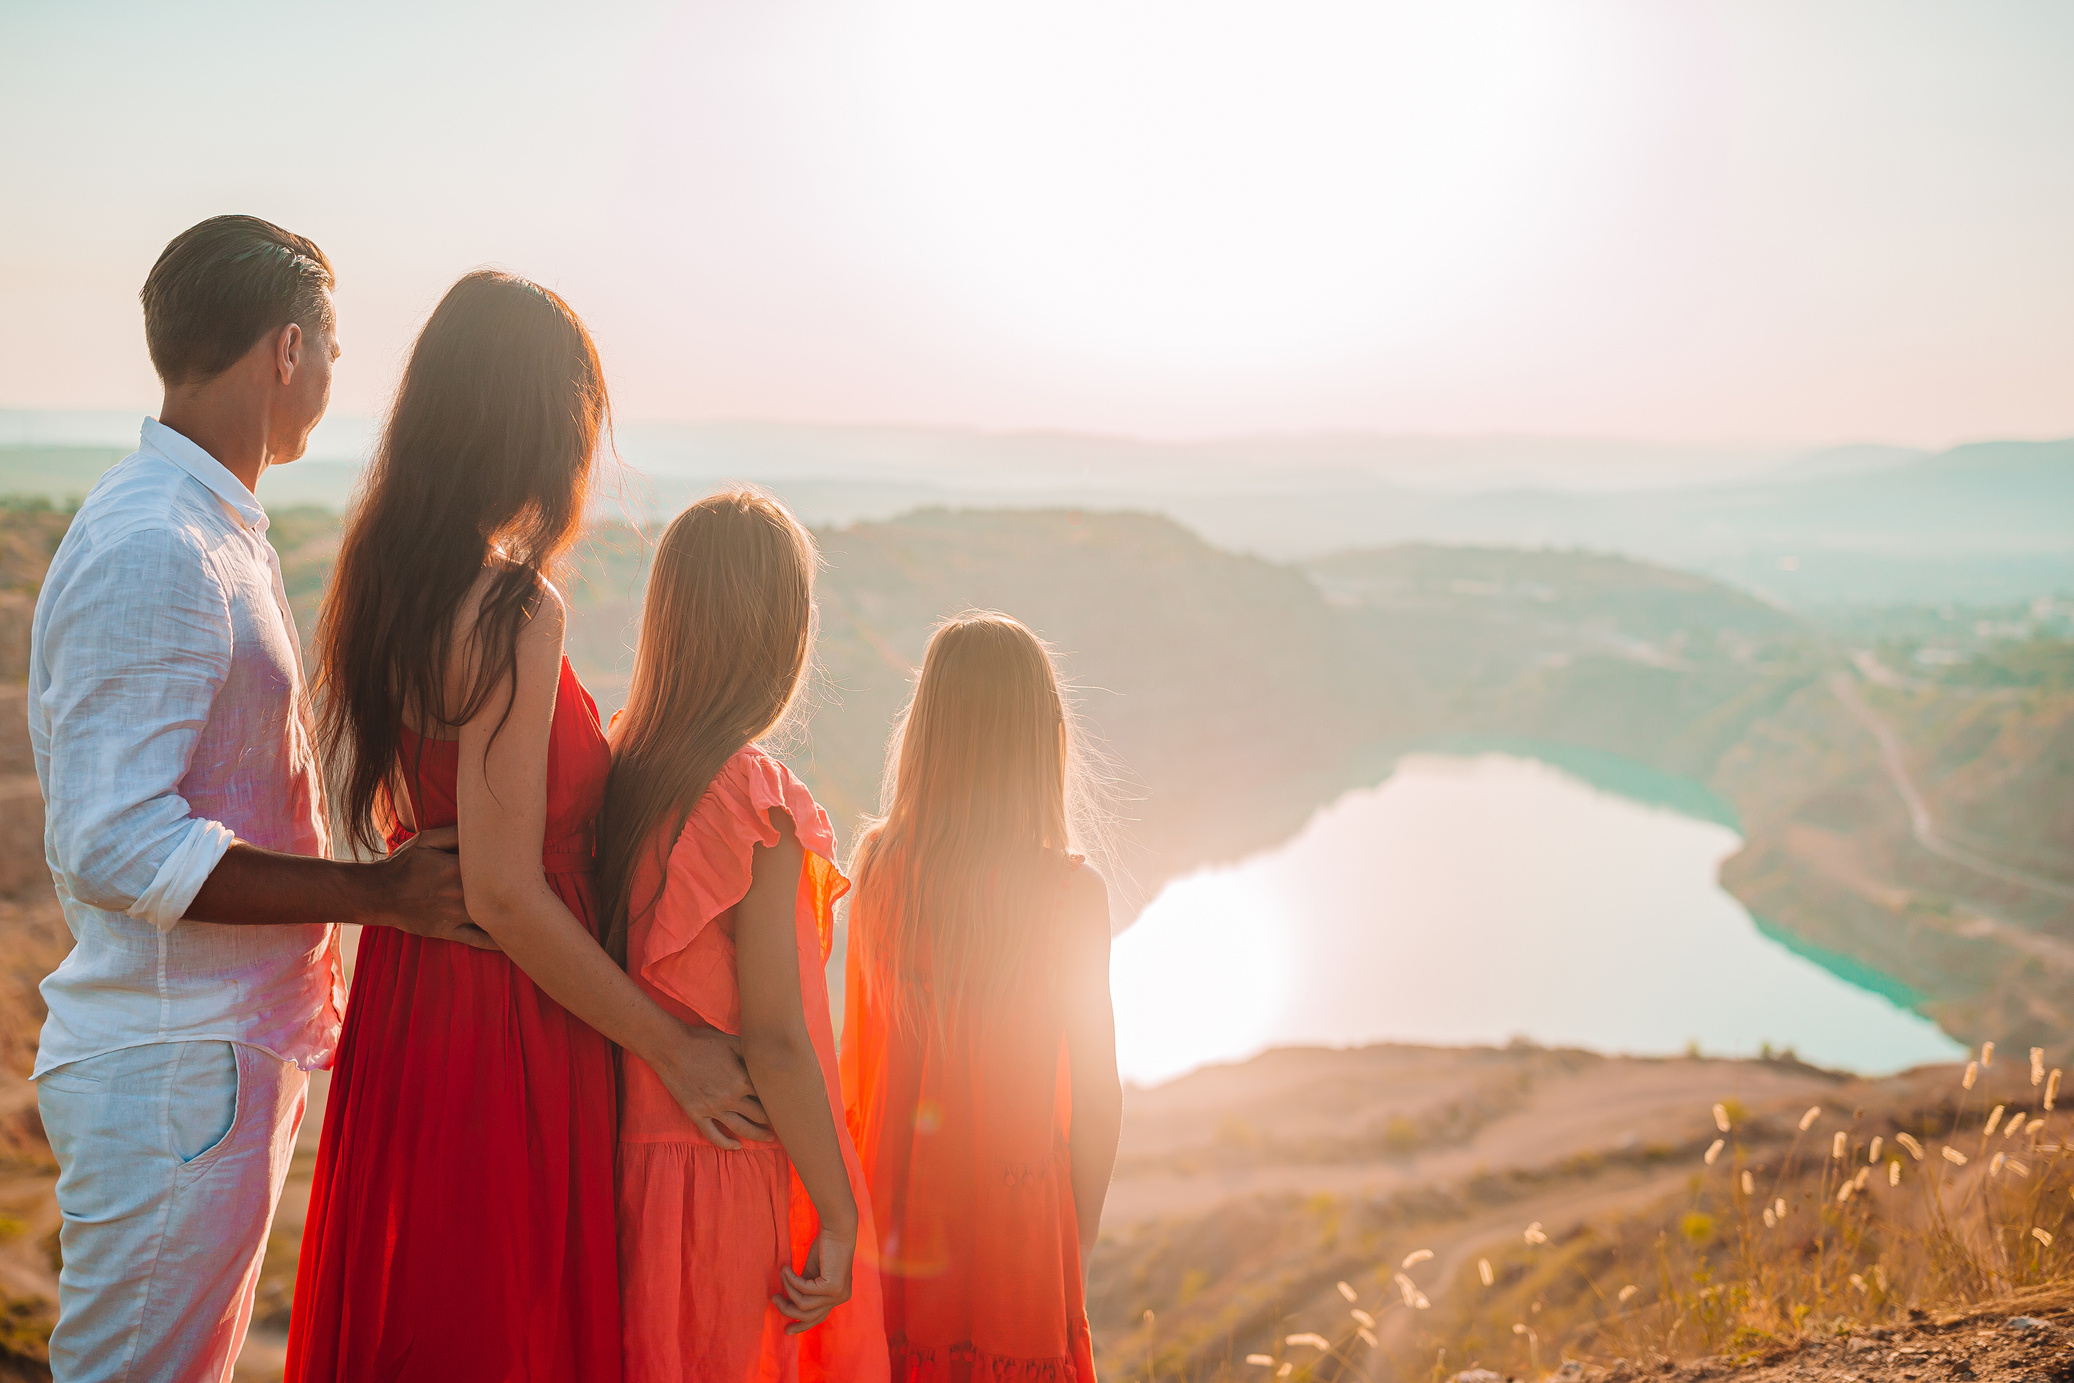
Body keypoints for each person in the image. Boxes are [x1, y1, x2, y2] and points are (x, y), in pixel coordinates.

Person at [26, 215, 490, 1383]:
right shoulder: (157, 544)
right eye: (330, 351)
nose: (333, 379)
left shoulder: (209, 525)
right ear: (288, 350)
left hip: (212, 1058)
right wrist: (375, 892)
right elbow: (114, 845)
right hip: (174, 1065)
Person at [284, 274, 768, 1382]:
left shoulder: (388, 577)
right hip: (506, 1008)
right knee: (499, 1321)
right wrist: (675, 1047)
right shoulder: (511, 607)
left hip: (420, 1003)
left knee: (424, 1312)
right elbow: (503, 890)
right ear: (540, 424)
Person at [597, 490, 886, 1383]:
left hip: (612, 1166)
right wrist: (838, 1215)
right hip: (720, 1173)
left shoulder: (616, 770)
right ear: (782, 639)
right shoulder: (753, 800)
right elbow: (775, 1037)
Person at [842, 612, 1122, 1382]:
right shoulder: (1069, 893)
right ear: (1042, 739)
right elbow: (1099, 1094)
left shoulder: (878, 870)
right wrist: (1080, 1233)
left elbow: (860, 1062)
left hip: (897, 1220)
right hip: (1020, 1225)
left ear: (929, 731)